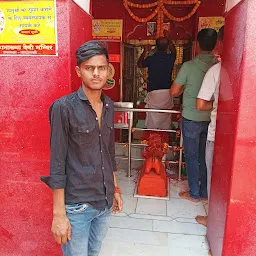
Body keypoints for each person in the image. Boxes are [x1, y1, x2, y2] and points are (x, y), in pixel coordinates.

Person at [41, 41, 123, 256]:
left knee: (94, 252)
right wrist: (59, 215)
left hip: (104, 203)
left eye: (101, 68)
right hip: (78, 206)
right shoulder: (63, 108)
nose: (96, 74)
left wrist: (115, 189)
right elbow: (57, 162)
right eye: (89, 68)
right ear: (79, 71)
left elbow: (108, 151)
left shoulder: (108, 105)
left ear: (108, 71)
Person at [170, 28, 219, 202]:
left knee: (191, 156)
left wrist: (186, 87)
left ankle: (194, 193)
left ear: (197, 45)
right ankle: (205, 192)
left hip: (191, 117)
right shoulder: (218, 66)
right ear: (215, 45)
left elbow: (173, 92)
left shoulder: (189, 66)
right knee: (206, 156)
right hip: (211, 119)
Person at [195, 26, 225, 226]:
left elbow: (200, 104)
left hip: (217, 134)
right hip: (241, 137)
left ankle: (213, 219)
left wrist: (217, 105)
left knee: (214, 175)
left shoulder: (216, 70)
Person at [137, 37, 176, 130]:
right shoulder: (170, 58)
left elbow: (139, 64)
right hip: (167, 92)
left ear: (156, 47)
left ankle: (151, 136)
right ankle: (165, 138)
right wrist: (169, 40)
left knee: (152, 116)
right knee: (166, 116)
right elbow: (174, 51)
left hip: (153, 92)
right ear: (167, 47)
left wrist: (145, 51)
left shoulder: (151, 59)